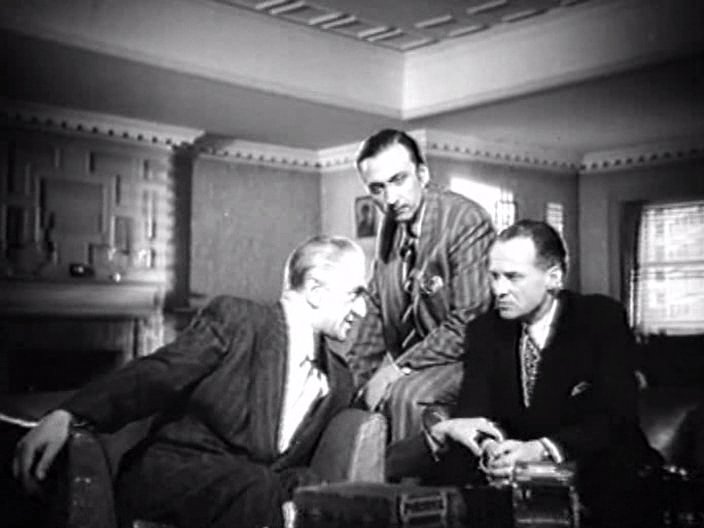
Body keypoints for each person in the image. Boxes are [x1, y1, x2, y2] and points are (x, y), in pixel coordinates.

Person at [13, 235, 368, 528]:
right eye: (356, 294)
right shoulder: (239, 320)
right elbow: (158, 373)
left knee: (295, 490)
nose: (363, 311)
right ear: (316, 291)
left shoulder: (339, 380)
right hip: (174, 476)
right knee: (257, 487)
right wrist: (70, 415)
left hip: (253, 496)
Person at [387, 220, 663, 528]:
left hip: (597, 470)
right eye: (494, 276)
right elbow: (473, 412)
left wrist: (541, 449)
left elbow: (616, 416)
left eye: (513, 277)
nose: (498, 289)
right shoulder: (484, 331)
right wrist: (490, 448)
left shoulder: (600, 318)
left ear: (553, 277)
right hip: (518, 477)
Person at [347, 128, 495, 442]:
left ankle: (405, 476)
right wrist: (355, 381)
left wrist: (396, 369)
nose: (390, 199)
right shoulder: (391, 225)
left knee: (406, 394)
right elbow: (375, 307)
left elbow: (469, 322)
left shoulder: (465, 220)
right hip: (421, 362)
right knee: (350, 394)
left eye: (399, 180)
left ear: (423, 174)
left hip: (469, 360)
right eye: (377, 188)